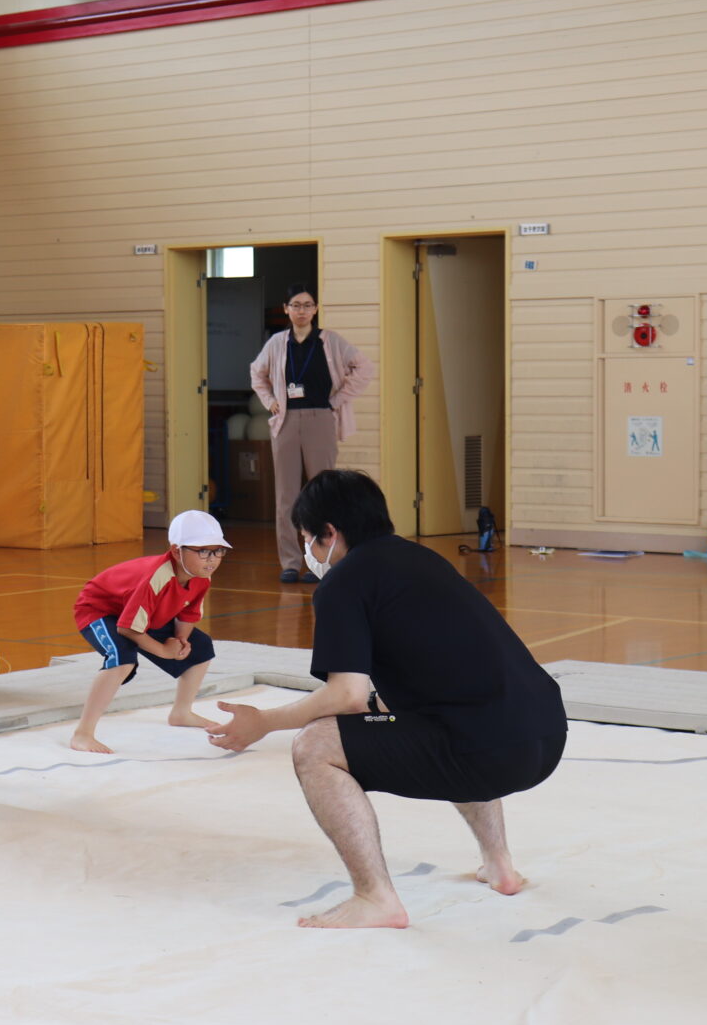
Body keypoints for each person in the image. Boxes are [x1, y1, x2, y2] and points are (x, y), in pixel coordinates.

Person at [205, 469, 568, 929]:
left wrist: (265, 721)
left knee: (315, 746)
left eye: (310, 541)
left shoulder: (343, 582)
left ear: (331, 533)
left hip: (490, 754)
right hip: (547, 734)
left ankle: (374, 896)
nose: (310, 554)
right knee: (445, 716)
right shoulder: (422, 560)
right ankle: (500, 865)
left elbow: (348, 695)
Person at [69, 510, 228, 753]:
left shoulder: (201, 576)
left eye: (218, 551)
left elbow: (188, 613)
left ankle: (182, 712)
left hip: (140, 615)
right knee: (122, 659)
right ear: (176, 551)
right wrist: (164, 651)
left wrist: (181, 640)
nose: (212, 559)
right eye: (203, 551)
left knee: (201, 646)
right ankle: (83, 734)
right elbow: (127, 628)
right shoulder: (157, 577)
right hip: (100, 611)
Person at [249, 285, 375, 583]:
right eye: (296, 305)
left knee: (324, 493)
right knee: (286, 495)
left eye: (307, 305)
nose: (302, 311)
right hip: (286, 420)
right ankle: (291, 562)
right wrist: (270, 402)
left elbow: (364, 368)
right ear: (286, 309)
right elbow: (257, 372)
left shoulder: (329, 342)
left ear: (315, 309)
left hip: (321, 417)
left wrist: (337, 400)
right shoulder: (278, 343)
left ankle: (323, 561)